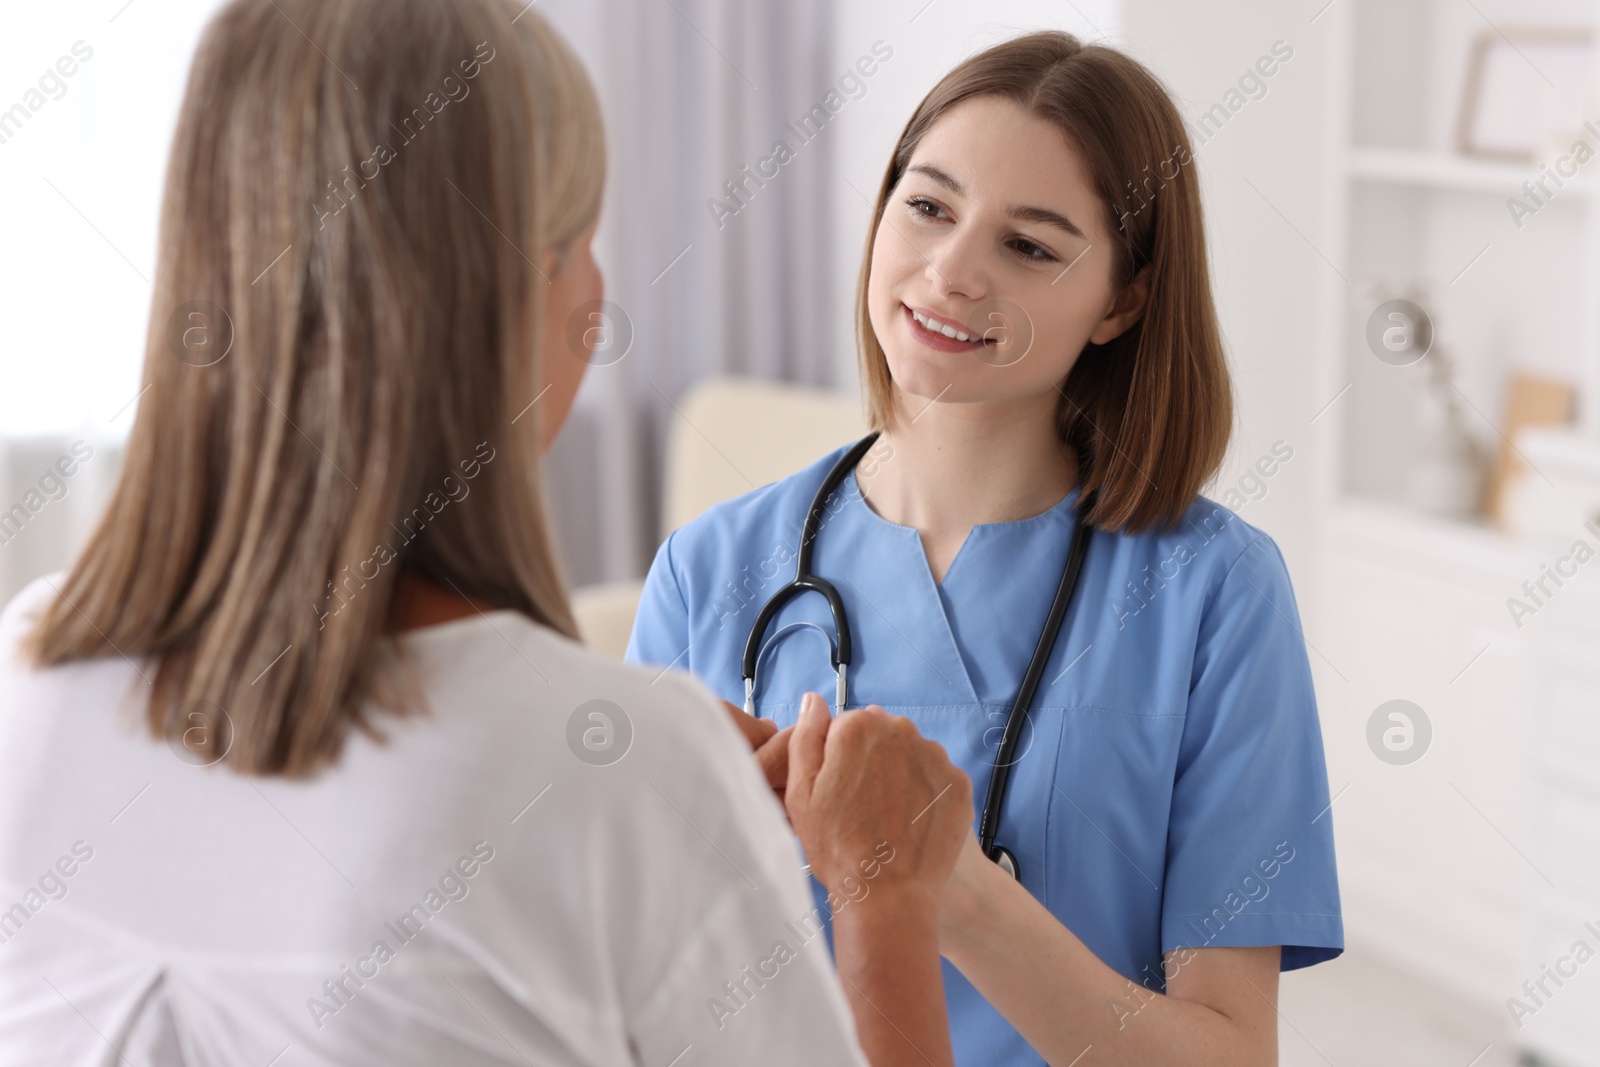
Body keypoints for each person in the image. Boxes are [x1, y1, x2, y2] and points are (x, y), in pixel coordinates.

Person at [0, 2, 972, 1065]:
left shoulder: (33, 669)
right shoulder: (628, 768)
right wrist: (881, 890)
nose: (599, 299)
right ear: (495, 301)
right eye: (580, 245)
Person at [627, 31, 1343, 1067]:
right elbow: (628, 973)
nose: (950, 270)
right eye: (927, 206)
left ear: (1123, 300)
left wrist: (947, 889)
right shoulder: (708, 567)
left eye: (1030, 246)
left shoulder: (1213, 591)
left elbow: (1231, 1053)